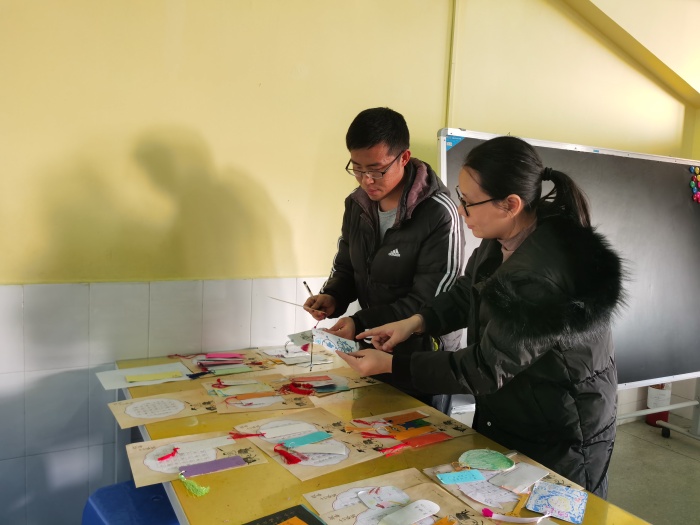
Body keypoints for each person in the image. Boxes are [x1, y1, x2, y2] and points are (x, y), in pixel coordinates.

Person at [337, 135, 625, 499]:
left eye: (469, 203)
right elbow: (466, 294)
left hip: (560, 430)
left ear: (510, 204)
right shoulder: (502, 237)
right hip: (515, 409)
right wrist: (415, 323)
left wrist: (392, 365)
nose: (461, 211)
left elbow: (485, 368)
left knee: (544, 511)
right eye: (461, 197)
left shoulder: (543, 274)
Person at [304, 107, 465, 407]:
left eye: (377, 170)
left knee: (420, 433)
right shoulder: (357, 205)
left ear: (403, 158)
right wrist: (333, 296)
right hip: (372, 349)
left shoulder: (438, 213)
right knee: (368, 428)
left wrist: (359, 321)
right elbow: (347, 265)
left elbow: (430, 302)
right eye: (357, 168)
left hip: (422, 359)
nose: (366, 180)